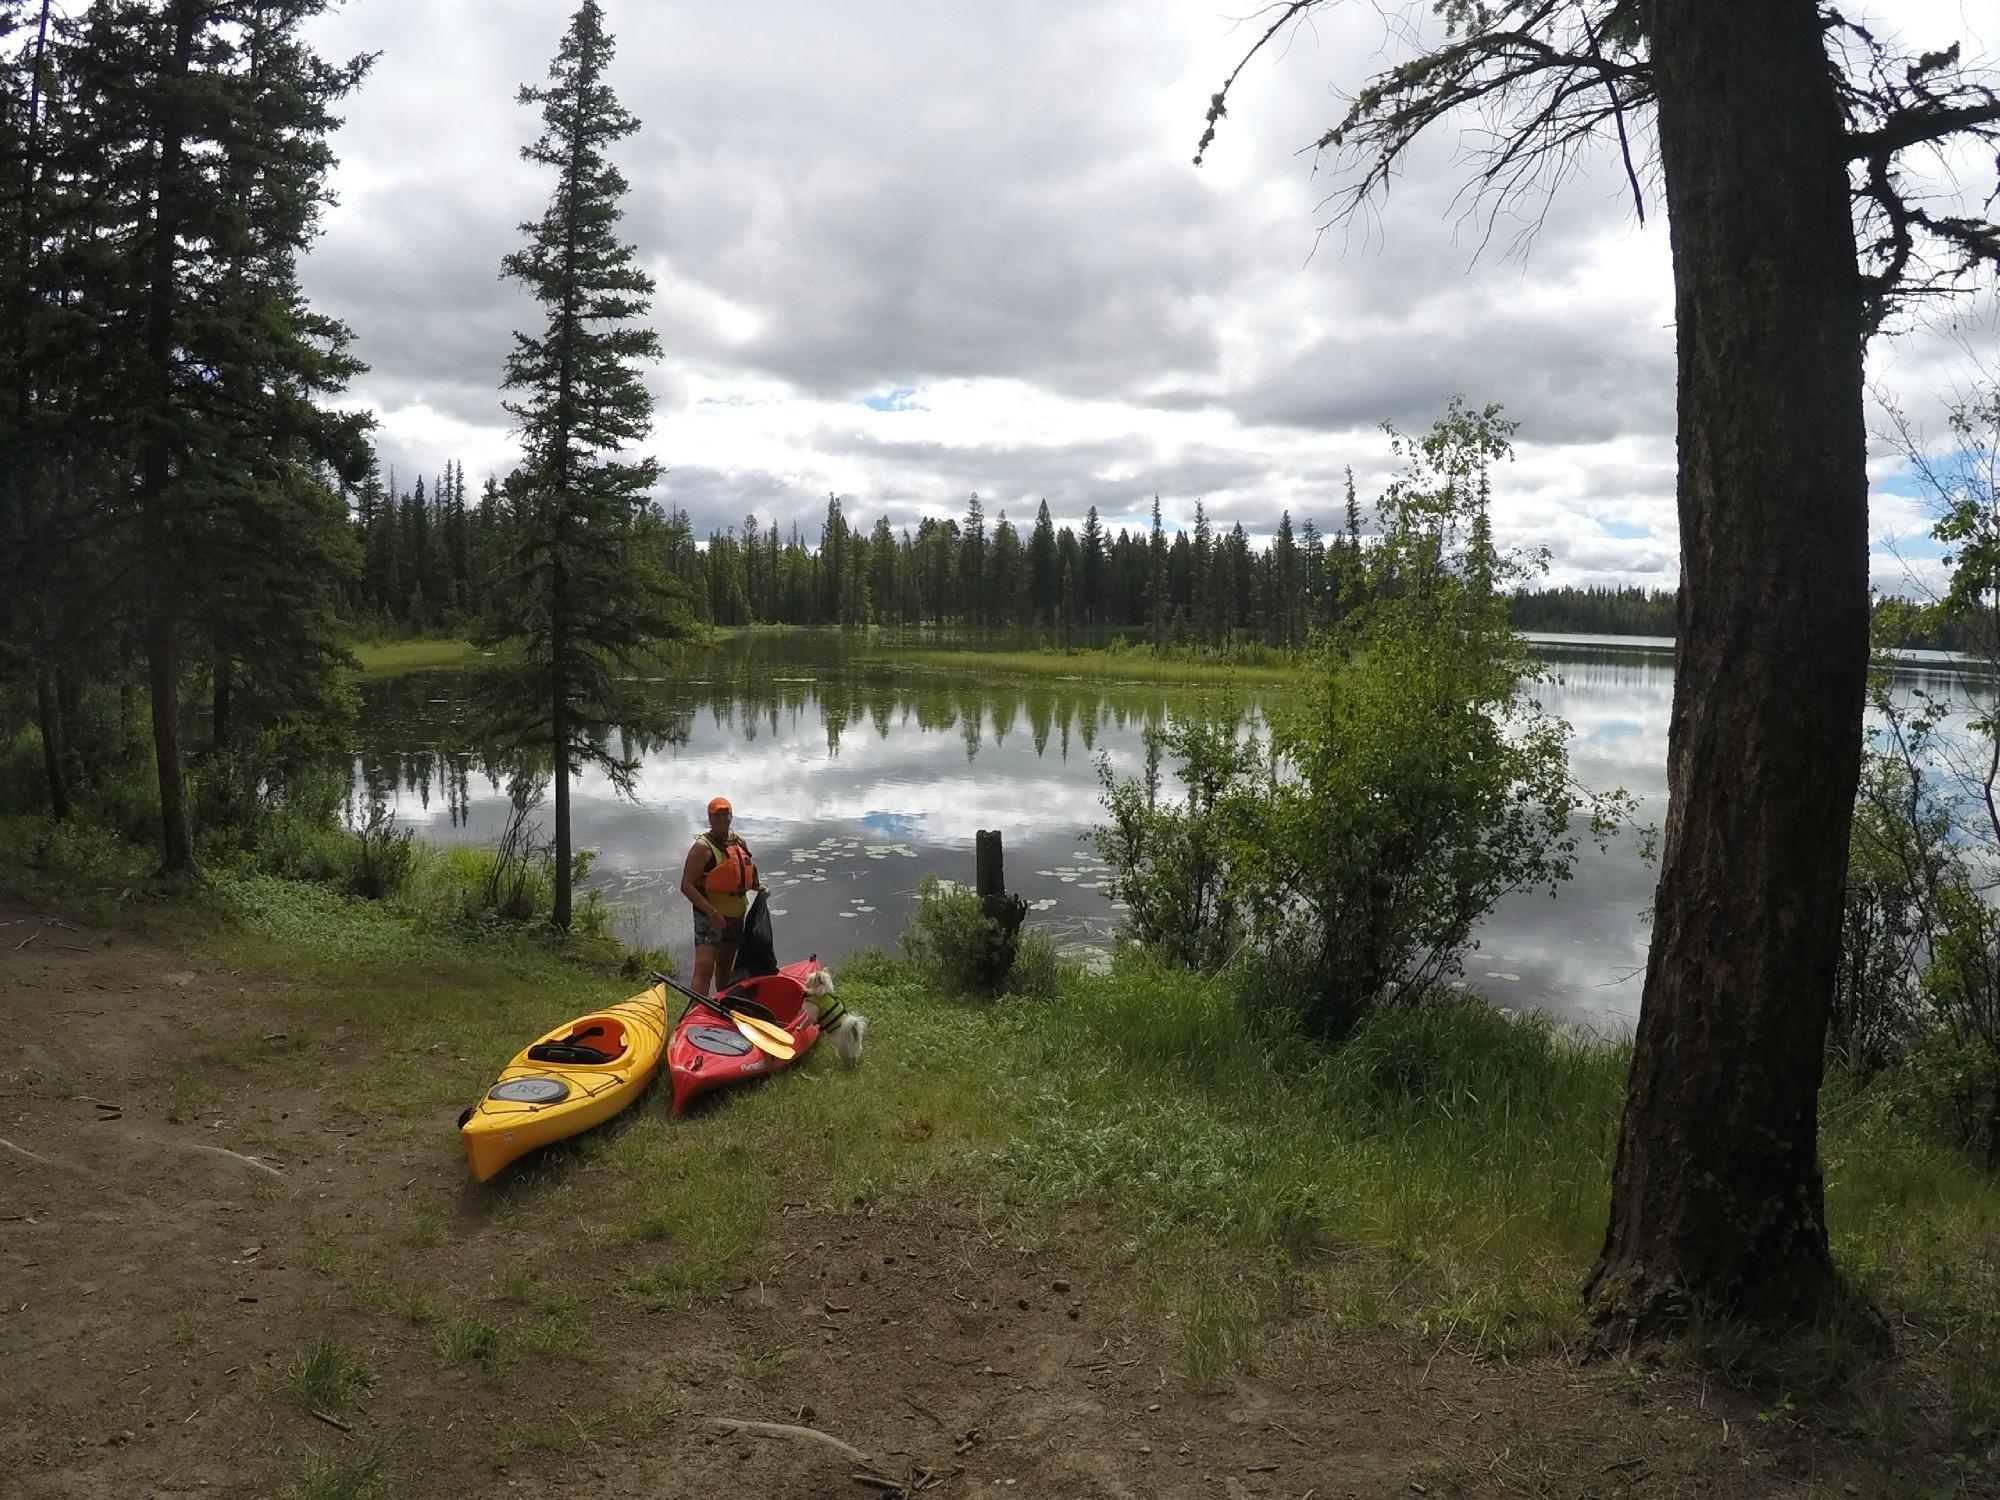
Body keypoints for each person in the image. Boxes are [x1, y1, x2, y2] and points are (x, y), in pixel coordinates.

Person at [680, 796, 759, 996]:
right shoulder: (702, 847)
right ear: (710, 818)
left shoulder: (738, 842)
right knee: (705, 966)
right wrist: (712, 912)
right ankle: (697, 1012)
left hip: (735, 914)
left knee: (725, 966)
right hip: (709, 915)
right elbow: (686, 885)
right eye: (718, 815)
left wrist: (758, 886)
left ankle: (722, 1007)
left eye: (726, 815)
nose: (722, 819)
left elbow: (748, 869)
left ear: (731, 816)